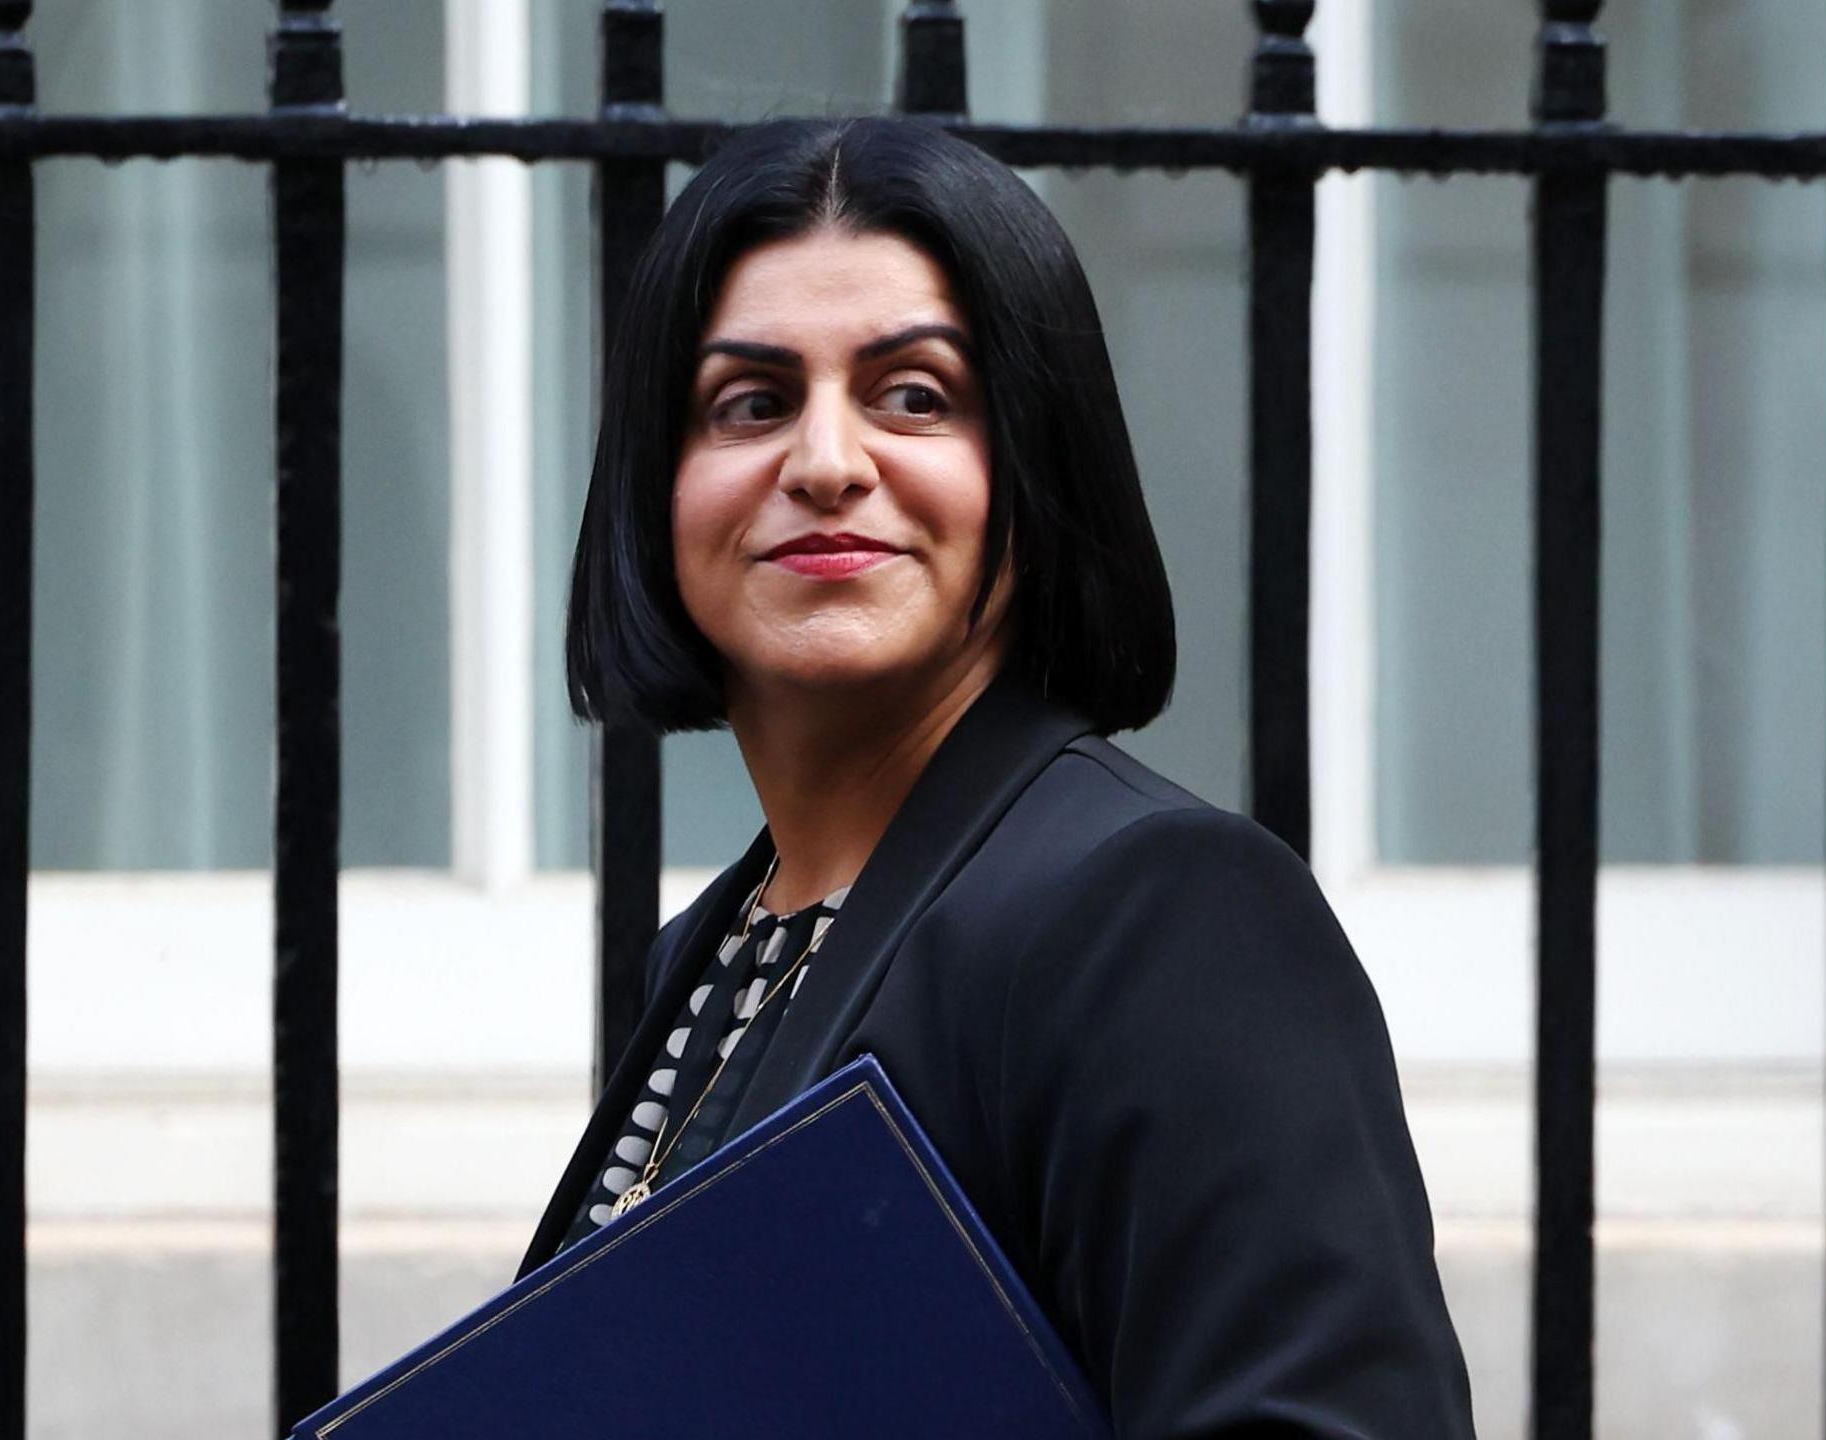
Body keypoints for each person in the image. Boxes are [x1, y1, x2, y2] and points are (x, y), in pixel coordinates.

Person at [520, 116, 1474, 1436]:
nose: (827, 462)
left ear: (1036, 466)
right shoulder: (706, 956)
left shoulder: (1166, 917)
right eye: (751, 402)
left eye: (915, 395)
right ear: (652, 486)